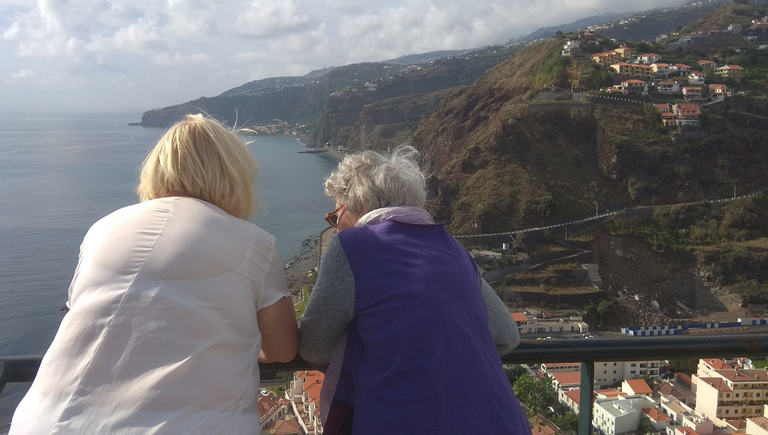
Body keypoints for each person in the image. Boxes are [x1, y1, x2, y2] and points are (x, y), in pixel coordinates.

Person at [10, 114, 298, 435]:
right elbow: (282, 349)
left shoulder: (104, 228)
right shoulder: (254, 243)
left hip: (47, 422)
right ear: (234, 176)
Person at [298, 145, 531, 435]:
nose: (336, 227)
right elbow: (506, 335)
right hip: (500, 420)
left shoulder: (351, 248)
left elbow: (313, 346)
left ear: (363, 203)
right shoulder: (455, 250)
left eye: (336, 216)